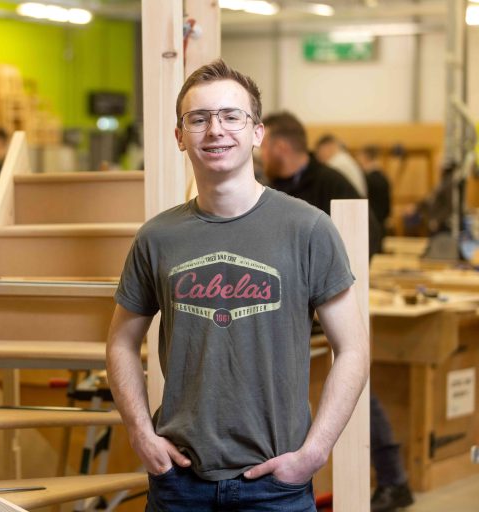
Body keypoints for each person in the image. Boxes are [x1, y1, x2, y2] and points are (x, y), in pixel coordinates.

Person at [106, 59, 369, 512]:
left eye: (232, 116)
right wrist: (139, 432)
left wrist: (314, 452)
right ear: (179, 135)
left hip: (276, 485)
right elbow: (120, 343)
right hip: (180, 484)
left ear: (257, 132)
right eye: (199, 118)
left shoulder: (308, 229)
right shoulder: (157, 237)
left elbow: (354, 348)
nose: (216, 130)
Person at [260, 112, 413, 512]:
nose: (258, 150)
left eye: (263, 141)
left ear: (280, 145)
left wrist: (328, 280)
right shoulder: (269, 187)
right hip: (286, 305)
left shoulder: (331, 183)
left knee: (353, 376)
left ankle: (393, 479)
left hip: (331, 295)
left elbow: (371, 236)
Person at [259, 112, 383, 256]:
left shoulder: (331, 183)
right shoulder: (268, 190)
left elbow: (368, 232)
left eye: (264, 147)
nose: (262, 155)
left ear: (281, 147)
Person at [314, 133, 368, 198]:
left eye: (319, 151)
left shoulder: (336, 163)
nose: (318, 156)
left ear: (329, 147)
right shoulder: (344, 158)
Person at [358, 145, 392, 232]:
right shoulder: (384, 177)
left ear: (366, 157)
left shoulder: (367, 179)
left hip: (371, 222)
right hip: (382, 221)